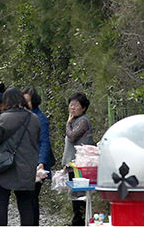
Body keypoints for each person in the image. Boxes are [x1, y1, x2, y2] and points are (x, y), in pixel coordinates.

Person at [0, 88, 39, 226]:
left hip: (5, 166)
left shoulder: (4, 118)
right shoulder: (34, 118)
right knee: (25, 205)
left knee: (1, 205)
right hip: (27, 167)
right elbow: (36, 140)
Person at [20, 87, 52, 224]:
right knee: (27, 199)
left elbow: (44, 142)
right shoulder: (23, 116)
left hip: (36, 163)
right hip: (25, 162)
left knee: (32, 198)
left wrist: (41, 162)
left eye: (27, 100)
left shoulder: (40, 119)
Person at [63, 92, 93, 226]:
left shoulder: (83, 121)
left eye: (76, 105)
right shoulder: (75, 121)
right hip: (73, 164)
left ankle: (80, 221)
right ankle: (78, 220)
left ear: (84, 108)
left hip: (81, 165)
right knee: (74, 195)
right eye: (71, 105)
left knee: (80, 195)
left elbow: (72, 136)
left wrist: (68, 123)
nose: (72, 107)